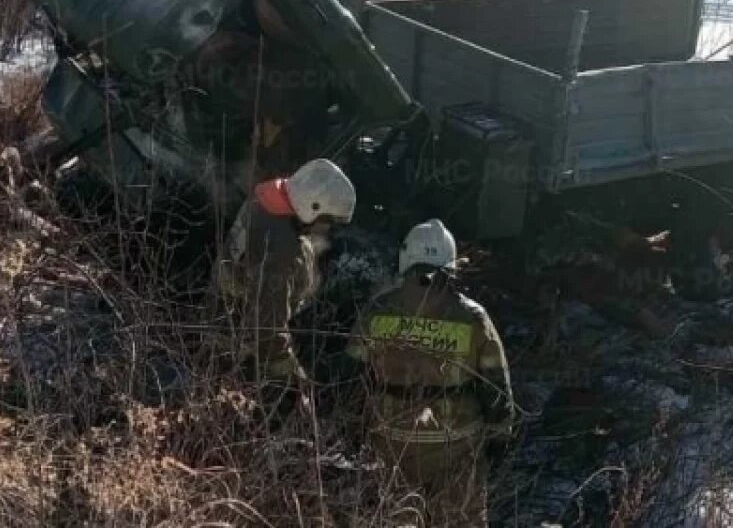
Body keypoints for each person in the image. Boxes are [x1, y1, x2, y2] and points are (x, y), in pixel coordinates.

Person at [345, 219, 515, 527]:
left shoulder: (377, 311)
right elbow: (496, 387)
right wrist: (500, 437)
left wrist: (353, 430)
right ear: (451, 265)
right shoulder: (472, 317)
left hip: (390, 442)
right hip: (456, 446)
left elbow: (351, 378)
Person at [217, 158, 355, 392]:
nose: (330, 229)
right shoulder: (281, 251)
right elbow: (268, 328)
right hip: (241, 335)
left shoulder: (266, 200)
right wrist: (293, 374)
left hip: (224, 308)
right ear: (312, 207)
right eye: (329, 221)